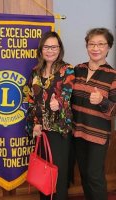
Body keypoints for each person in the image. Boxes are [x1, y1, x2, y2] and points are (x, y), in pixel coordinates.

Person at [25, 31, 75, 200]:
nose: (50, 50)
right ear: (41, 50)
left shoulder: (67, 70)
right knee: (43, 175)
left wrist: (58, 103)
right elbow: (32, 101)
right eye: (46, 47)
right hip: (42, 131)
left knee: (58, 178)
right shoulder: (35, 72)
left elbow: (67, 96)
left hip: (59, 131)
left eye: (54, 47)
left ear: (59, 49)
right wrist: (35, 123)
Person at [72, 28, 115, 200]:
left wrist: (102, 101)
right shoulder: (77, 69)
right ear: (87, 46)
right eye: (91, 44)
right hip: (77, 132)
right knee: (84, 175)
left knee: (94, 176)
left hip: (98, 135)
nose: (95, 48)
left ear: (108, 47)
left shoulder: (112, 75)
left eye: (100, 44)